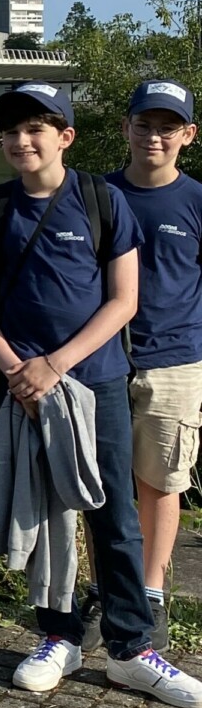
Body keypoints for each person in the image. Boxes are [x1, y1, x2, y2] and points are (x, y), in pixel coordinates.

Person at [0, 81, 202, 707]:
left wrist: (56, 365)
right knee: (45, 516)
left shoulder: (100, 199)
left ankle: (131, 650)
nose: (22, 141)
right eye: (11, 131)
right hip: (22, 388)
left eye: (36, 129)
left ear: (65, 136)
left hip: (97, 383)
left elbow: (124, 300)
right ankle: (58, 636)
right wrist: (19, 371)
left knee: (114, 515)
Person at [106, 79, 202, 651]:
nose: (154, 137)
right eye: (144, 125)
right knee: (103, 483)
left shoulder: (196, 201)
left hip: (175, 361)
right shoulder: (97, 194)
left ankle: (152, 591)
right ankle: (108, 589)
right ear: (126, 128)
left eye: (168, 128)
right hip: (102, 360)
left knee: (162, 482)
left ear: (188, 135)